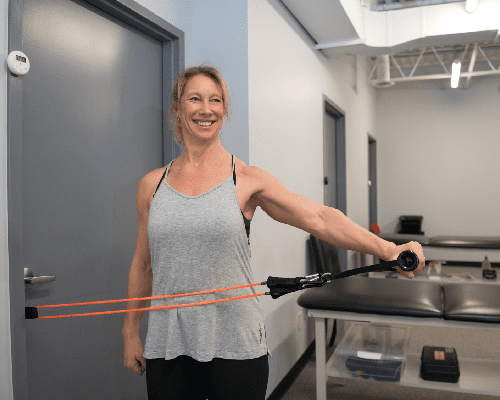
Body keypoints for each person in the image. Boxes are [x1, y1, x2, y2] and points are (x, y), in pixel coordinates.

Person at [122, 64, 425, 399]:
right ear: (177, 108)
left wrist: (387, 249)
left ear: (224, 109)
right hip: (169, 341)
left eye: (216, 100)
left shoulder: (247, 179)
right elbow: (142, 265)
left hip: (235, 340)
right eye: (195, 99)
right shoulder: (152, 186)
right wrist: (130, 331)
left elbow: (319, 218)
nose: (206, 109)